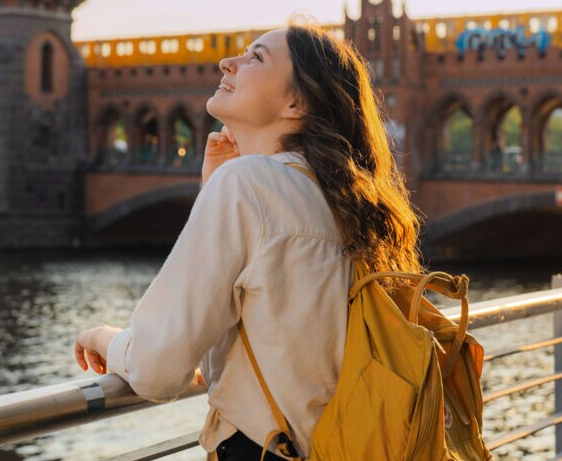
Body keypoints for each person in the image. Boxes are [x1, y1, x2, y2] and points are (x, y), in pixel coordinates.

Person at [74, 23, 422, 461]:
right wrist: (214, 189)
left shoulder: (246, 187)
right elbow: (274, 342)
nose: (228, 63)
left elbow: (156, 367)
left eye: (256, 58)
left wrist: (104, 338)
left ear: (296, 102)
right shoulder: (348, 199)